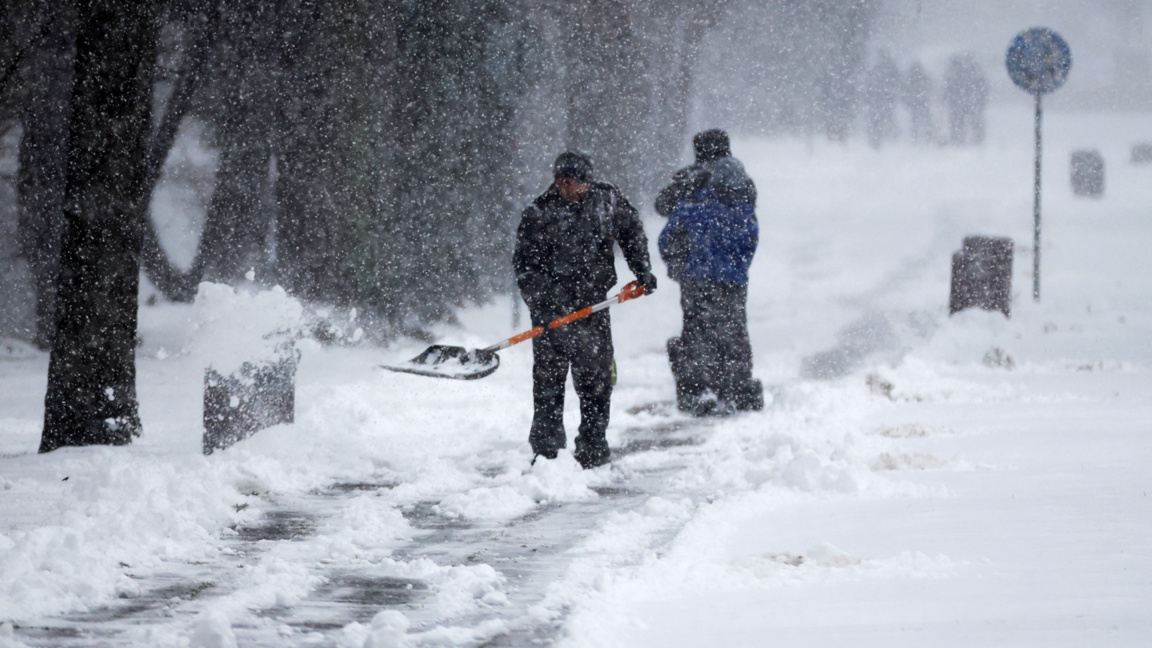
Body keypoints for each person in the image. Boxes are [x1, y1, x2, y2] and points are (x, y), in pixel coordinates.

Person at [513, 151, 657, 468]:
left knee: (596, 380)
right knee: (549, 383)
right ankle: (547, 452)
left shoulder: (607, 200)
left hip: (593, 306)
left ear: (587, 181)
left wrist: (642, 271)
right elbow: (525, 267)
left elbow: (632, 233)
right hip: (551, 313)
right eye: (561, 182)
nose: (567, 189)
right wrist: (544, 303)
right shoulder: (539, 212)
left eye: (573, 183)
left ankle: (593, 446)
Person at [656, 129, 762, 416]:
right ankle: (733, 387)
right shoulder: (739, 181)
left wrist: (679, 263)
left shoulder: (696, 193)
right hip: (726, 275)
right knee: (732, 330)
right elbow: (749, 227)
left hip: (697, 271)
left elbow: (665, 214)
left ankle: (697, 387)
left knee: (698, 329)